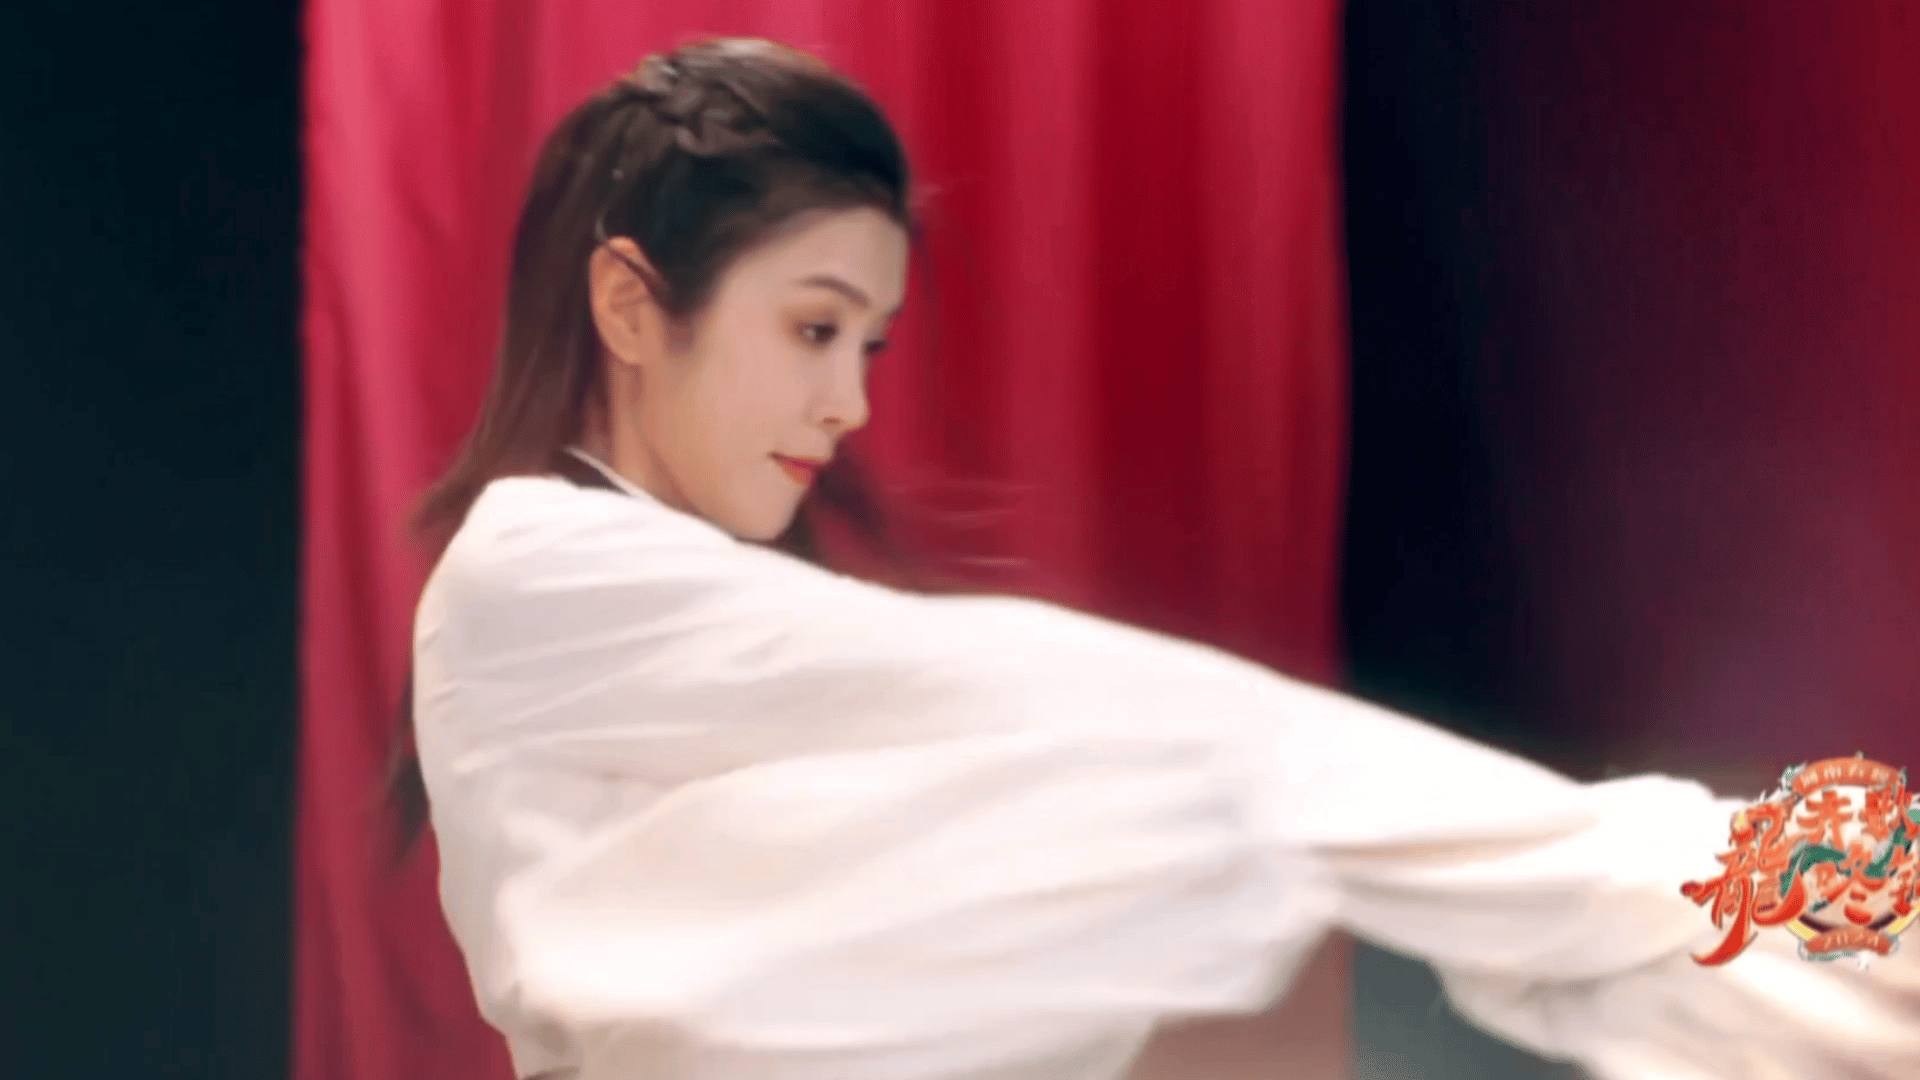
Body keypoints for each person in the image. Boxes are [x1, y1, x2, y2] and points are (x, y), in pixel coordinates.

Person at [397, 37, 1920, 1080]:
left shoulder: (618, 602)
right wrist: (1625, 854)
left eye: (870, 344)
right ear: (628, 303)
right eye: (812, 329)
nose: (850, 402)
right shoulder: (537, 570)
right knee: (1240, 785)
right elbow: (1038, 700)